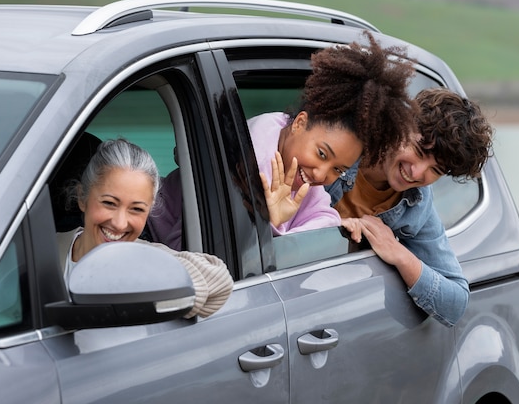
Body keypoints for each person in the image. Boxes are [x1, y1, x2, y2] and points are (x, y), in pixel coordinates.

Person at [330, 87, 494, 327]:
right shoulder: (338, 142)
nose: (417, 172)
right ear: (403, 124)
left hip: (340, 316)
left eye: (435, 170)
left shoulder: (416, 204)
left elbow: (456, 302)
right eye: (419, 151)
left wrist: (398, 253)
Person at [249, 31, 417, 235]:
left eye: (338, 170)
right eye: (321, 154)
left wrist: (339, 224)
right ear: (300, 123)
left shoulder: (289, 149)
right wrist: (273, 224)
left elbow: (324, 215)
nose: (321, 175)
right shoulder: (253, 160)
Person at [57, 138, 233, 319]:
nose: (119, 223)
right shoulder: (41, 250)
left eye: (136, 209)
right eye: (109, 203)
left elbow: (219, 281)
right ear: (82, 198)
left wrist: (150, 277)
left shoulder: (147, 257)